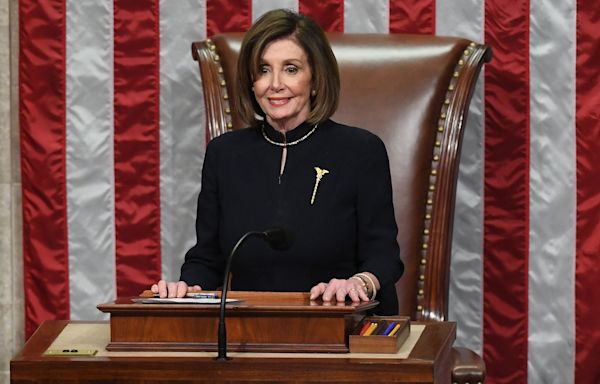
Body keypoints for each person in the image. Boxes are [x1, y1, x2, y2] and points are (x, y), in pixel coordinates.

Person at [151, 8, 404, 315]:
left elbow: (384, 256)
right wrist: (185, 288)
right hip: (250, 333)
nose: (275, 84)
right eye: (263, 69)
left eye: (291, 69)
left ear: (315, 78)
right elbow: (208, 259)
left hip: (340, 328)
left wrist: (359, 283)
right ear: (251, 81)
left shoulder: (362, 150)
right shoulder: (224, 154)